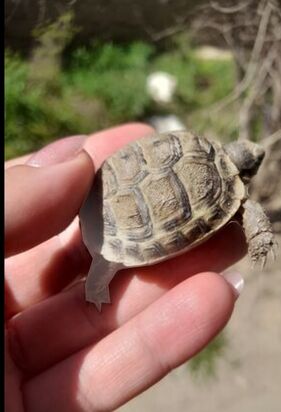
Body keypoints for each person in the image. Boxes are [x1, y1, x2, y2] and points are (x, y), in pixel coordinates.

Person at [5, 123, 245, 412]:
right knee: (102, 269)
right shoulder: (224, 183)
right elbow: (247, 209)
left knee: (102, 266)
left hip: (100, 198)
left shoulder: (194, 141)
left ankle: (96, 288)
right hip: (124, 221)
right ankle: (95, 289)